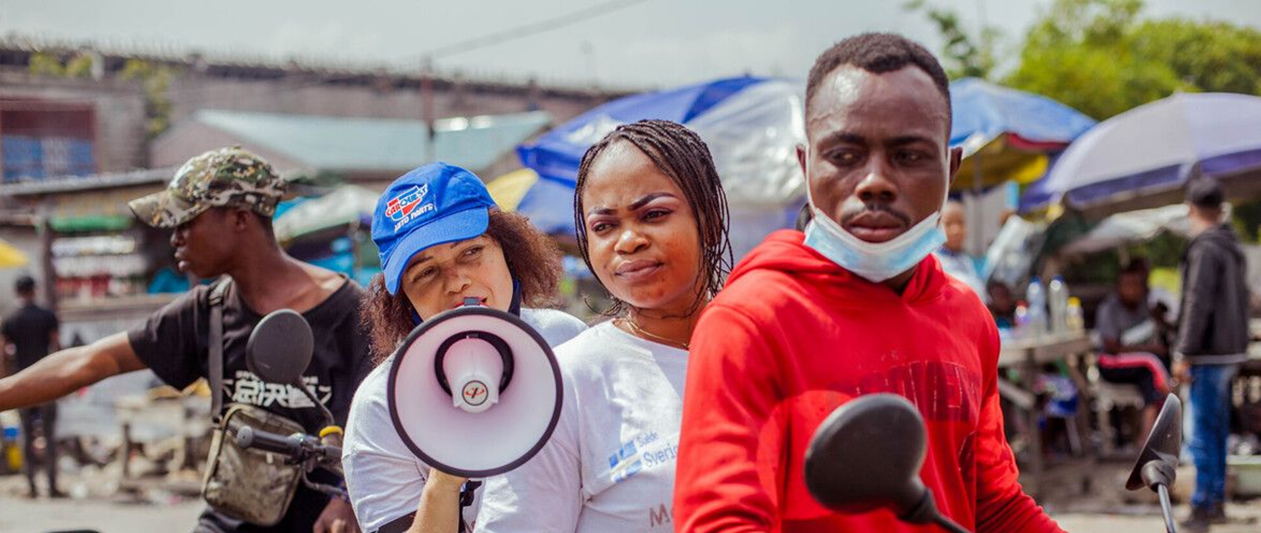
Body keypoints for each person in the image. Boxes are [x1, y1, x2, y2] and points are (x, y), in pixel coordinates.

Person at [673, 33, 1063, 532]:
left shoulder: (968, 318)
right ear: (805, 165)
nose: (875, 180)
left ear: (951, 168)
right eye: (844, 154)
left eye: (909, 155)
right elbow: (721, 523)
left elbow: (994, 505)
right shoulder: (750, 321)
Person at [0, 147, 369, 533]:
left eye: (186, 222)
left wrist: (347, 498)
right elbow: (93, 361)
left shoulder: (351, 310)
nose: (175, 238)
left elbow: (387, 426)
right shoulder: (206, 310)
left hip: (323, 522)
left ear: (240, 218)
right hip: (229, 519)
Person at [459, 119, 732, 533]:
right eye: (604, 226)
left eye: (654, 214)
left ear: (708, 218)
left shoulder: (775, 343)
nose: (628, 241)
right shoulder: (561, 385)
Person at [340, 162, 587, 533]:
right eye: (425, 272)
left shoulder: (568, 343)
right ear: (403, 300)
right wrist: (444, 476)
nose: (456, 281)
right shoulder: (380, 407)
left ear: (508, 250)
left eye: (471, 252)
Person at [1173, 179, 1249, 533]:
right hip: (1230, 351)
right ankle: (1216, 499)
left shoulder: (1204, 248)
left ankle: (1203, 504)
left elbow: (1197, 302)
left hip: (1206, 354)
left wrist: (1184, 351)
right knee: (1217, 430)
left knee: (1203, 431)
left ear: (1191, 209)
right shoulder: (1232, 246)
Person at [1095, 259, 1173, 444]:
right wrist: (1149, 349)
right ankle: (1148, 435)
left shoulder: (1145, 306)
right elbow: (1112, 348)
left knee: (1151, 375)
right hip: (1112, 365)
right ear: (1119, 287)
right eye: (1128, 285)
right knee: (1152, 363)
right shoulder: (1109, 309)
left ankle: (1147, 436)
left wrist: (1159, 317)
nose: (1133, 290)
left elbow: (1167, 328)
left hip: (1141, 368)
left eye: (1137, 285)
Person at [0, 275, 63, 498]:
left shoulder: (10, 319)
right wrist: (62, 380)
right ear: (34, 290)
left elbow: (3, 353)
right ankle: (52, 485)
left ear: (18, 292)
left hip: (21, 384)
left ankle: (32, 487)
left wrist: (5, 383)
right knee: (49, 434)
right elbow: (56, 347)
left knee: (26, 435)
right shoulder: (47, 316)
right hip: (47, 382)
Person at [936, 200, 989, 302]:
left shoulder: (967, 260)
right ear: (937, 226)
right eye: (949, 224)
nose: (956, 230)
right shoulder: (935, 262)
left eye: (960, 223)